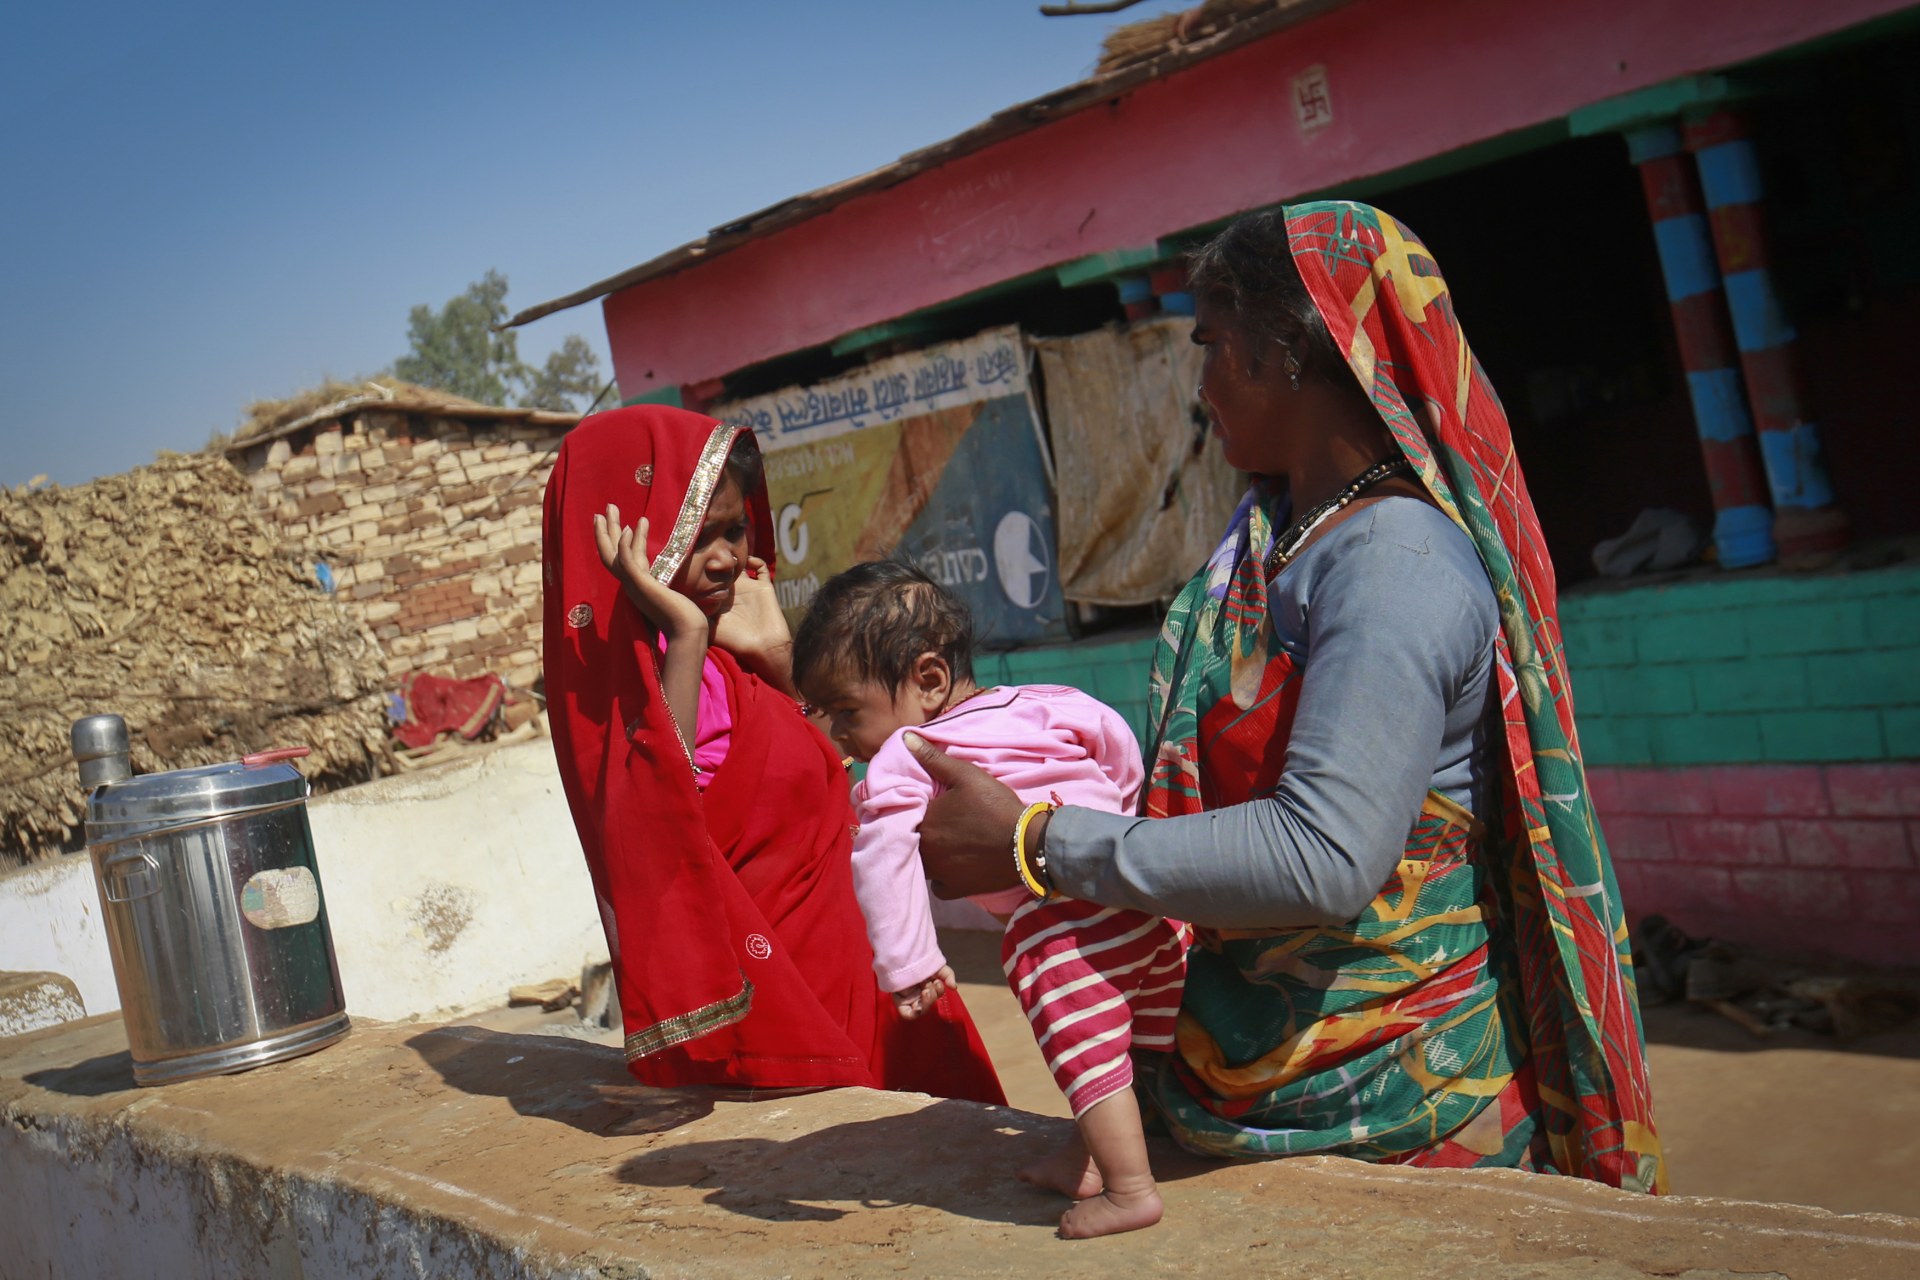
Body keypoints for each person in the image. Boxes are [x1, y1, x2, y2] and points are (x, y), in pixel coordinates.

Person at [910, 202, 1666, 1191]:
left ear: (1295, 347)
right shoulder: (1284, 544)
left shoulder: (1391, 564)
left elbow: (1324, 854)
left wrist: (1034, 839)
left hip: (1394, 1102)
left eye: (1215, 344)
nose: (1201, 384)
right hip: (1245, 1084)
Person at [541, 404, 1004, 1105]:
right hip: (792, 1004)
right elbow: (660, 819)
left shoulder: (734, 659)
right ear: (635, 539)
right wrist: (688, 635)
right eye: (697, 536)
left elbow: (834, 755)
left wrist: (773, 651)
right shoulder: (640, 704)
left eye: (734, 529)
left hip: (864, 968)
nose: (727, 556)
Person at [791, 560, 1190, 1238]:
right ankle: (1085, 1157)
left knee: (1087, 1052)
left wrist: (908, 963)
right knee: (1120, 1050)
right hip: (1141, 907)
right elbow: (1120, 752)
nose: (839, 736)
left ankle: (1129, 1190)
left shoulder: (907, 751)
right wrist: (1124, 845)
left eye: (847, 712)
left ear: (928, 681)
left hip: (1058, 925)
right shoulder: (1050, 702)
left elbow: (882, 856)